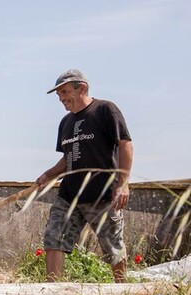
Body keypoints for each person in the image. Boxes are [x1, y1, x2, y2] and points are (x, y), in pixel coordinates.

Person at [36, 69, 133, 283]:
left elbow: (125, 144)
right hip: (69, 195)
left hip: (102, 194)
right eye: (59, 94)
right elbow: (68, 159)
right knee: (54, 237)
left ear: (82, 88)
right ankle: (52, 294)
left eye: (64, 92)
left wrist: (123, 184)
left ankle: (123, 291)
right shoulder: (65, 123)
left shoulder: (105, 110)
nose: (61, 98)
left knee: (112, 246)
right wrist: (48, 174)